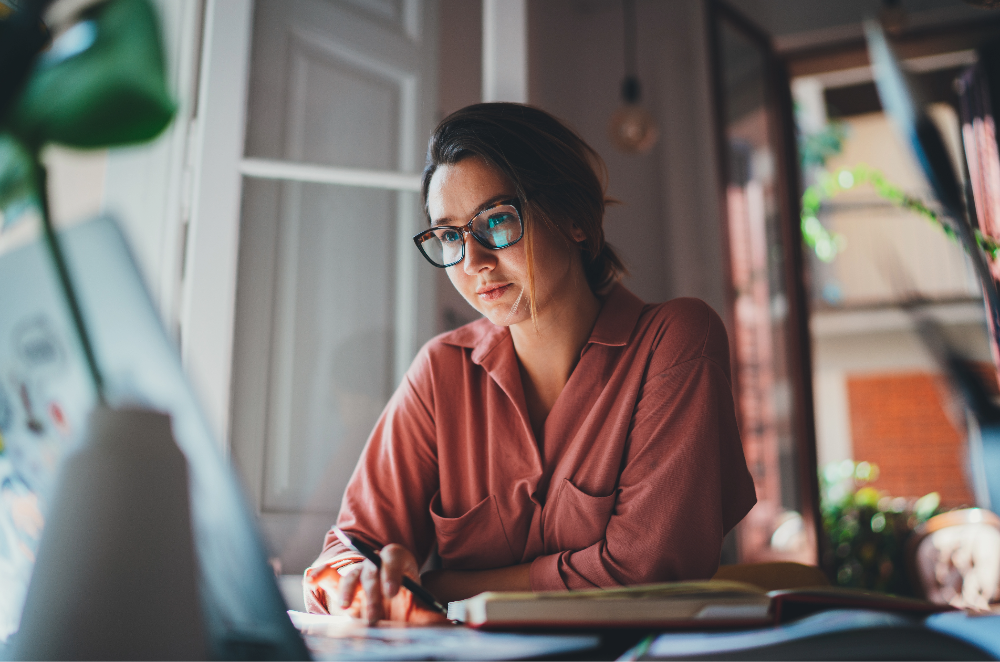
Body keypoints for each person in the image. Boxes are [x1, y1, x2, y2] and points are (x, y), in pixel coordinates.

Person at [304, 103, 756, 623]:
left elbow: (645, 572)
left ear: (576, 219)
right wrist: (356, 579)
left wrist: (444, 586)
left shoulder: (675, 342)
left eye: (497, 221)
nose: (473, 262)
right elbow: (350, 546)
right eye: (450, 235)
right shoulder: (440, 374)